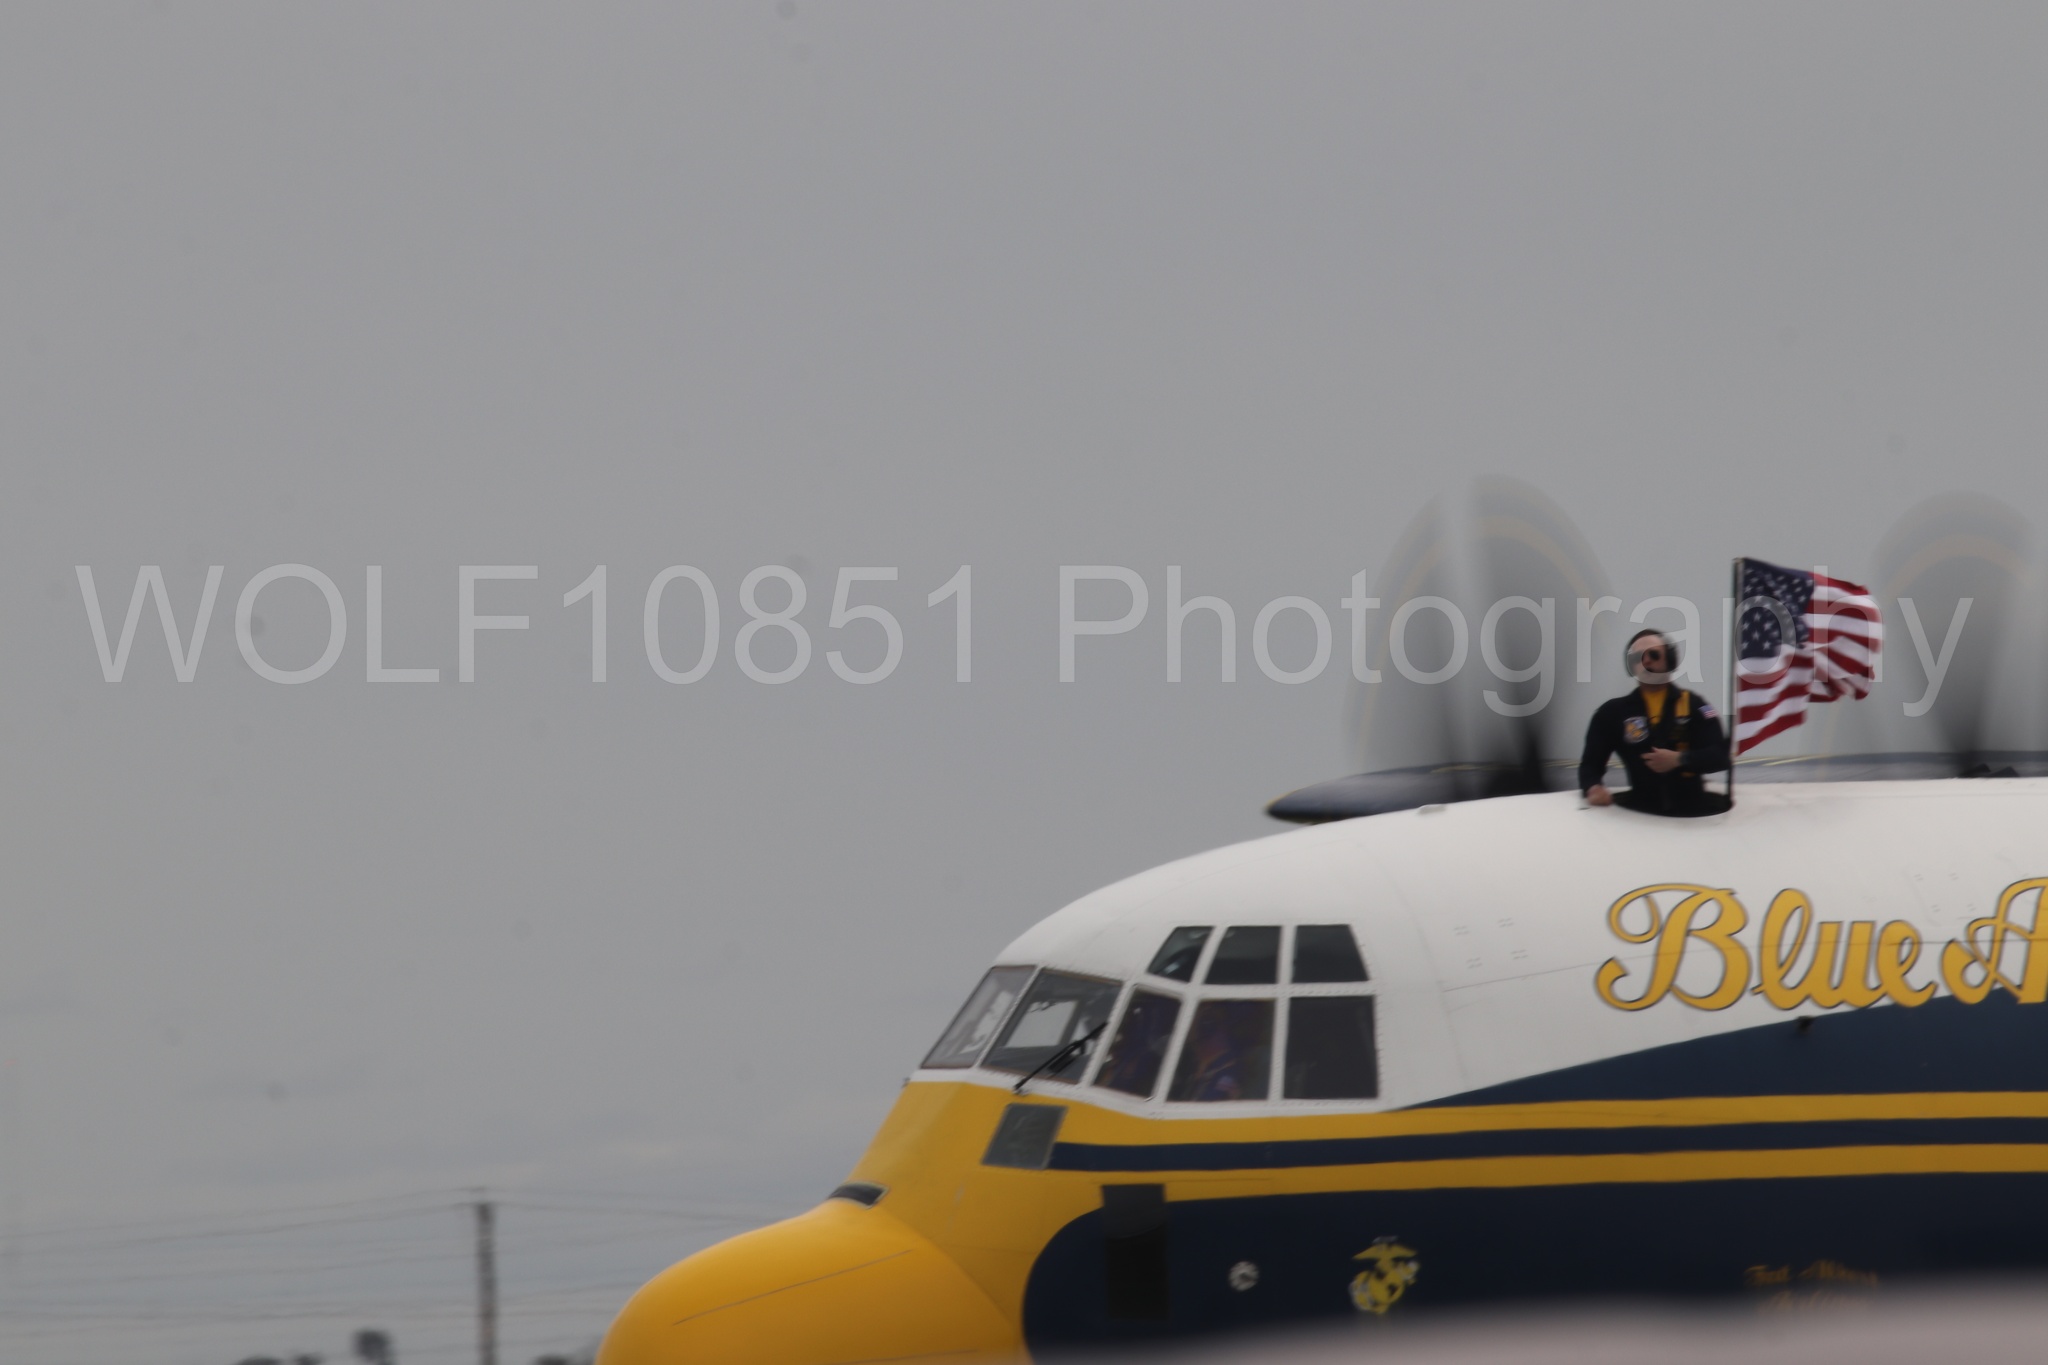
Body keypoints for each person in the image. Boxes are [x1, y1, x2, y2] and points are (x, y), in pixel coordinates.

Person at [1580, 628, 1731, 817]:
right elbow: (1590, 765)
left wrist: (1679, 760)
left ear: (1670, 658)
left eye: (1653, 654)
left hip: (1693, 818)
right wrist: (1593, 788)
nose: (1646, 661)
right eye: (1637, 658)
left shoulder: (1695, 706)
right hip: (1641, 819)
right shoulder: (1612, 713)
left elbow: (1720, 756)